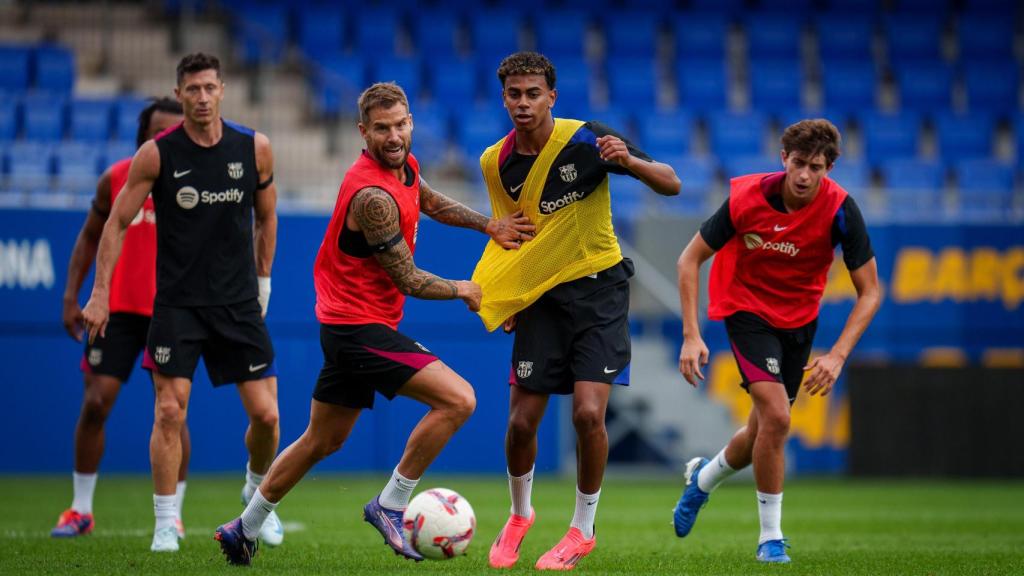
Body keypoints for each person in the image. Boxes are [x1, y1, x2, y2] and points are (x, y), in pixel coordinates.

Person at [213, 81, 535, 566]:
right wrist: (466, 289)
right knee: (459, 399)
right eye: (381, 128)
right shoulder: (372, 197)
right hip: (358, 329)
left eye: (401, 124)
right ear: (363, 132)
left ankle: (244, 528)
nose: (393, 135)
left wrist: (489, 224)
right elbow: (407, 278)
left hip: (348, 323)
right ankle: (391, 503)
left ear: (411, 123)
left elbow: (427, 199)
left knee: (323, 439)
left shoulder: (404, 167)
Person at [473, 52, 681, 571]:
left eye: (533, 93)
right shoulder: (494, 163)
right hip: (541, 300)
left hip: (599, 292)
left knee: (589, 412)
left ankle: (581, 530)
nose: (523, 103)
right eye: (514, 94)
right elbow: (511, 235)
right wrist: (511, 296)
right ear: (504, 98)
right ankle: (520, 516)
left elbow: (671, 182)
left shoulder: (587, 139)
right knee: (521, 424)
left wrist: (629, 161)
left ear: (552, 97)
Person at [81, 53, 284, 553]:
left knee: (267, 417)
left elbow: (268, 215)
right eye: (191, 89)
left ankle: (255, 492)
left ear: (222, 90)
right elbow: (115, 223)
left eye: (209, 87)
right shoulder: (157, 154)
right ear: (179, 92)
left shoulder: (254, 148)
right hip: (177, 305)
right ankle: (166, 522)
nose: (201, 97)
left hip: (238, 303)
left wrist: (263, 282)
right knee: (169, 411)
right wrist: (99, 293)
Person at [672, 119, 882, 563]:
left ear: (830, 168)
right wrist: (691, 336)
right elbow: (689, 260)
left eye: (817, 167)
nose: (806, 175)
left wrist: (838, 355)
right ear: (784, 159)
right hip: (745, 310)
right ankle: (770, 538)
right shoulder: (746, 198)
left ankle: (703, 480)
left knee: (763, 428)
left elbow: (871, 292)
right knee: (778, 418)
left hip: (799, 322)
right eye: (800, 163)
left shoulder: (842, 209)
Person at [52, 98, 188, 539]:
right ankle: (80, 510)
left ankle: (176, 515)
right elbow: (91, 236)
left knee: (172, 413)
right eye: (158, 132)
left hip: (171, 311)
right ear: (143, 136)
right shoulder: (117, 178)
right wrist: (74, 295)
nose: (165, 139)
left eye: (174, 131)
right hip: (116, 312)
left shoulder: (195, 180)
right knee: (95, 404)